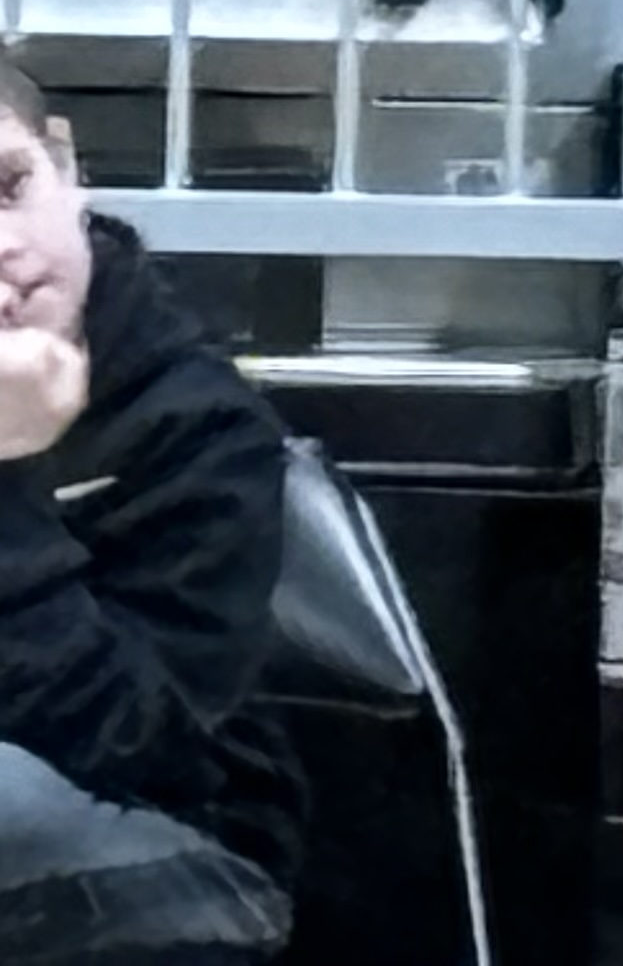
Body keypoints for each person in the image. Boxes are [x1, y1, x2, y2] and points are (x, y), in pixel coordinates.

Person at [0, 53, 299, 966]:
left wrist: (4, 478)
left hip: (182, 849)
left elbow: (139, 743)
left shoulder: (201, 424)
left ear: (68, 170)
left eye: (8, 187)